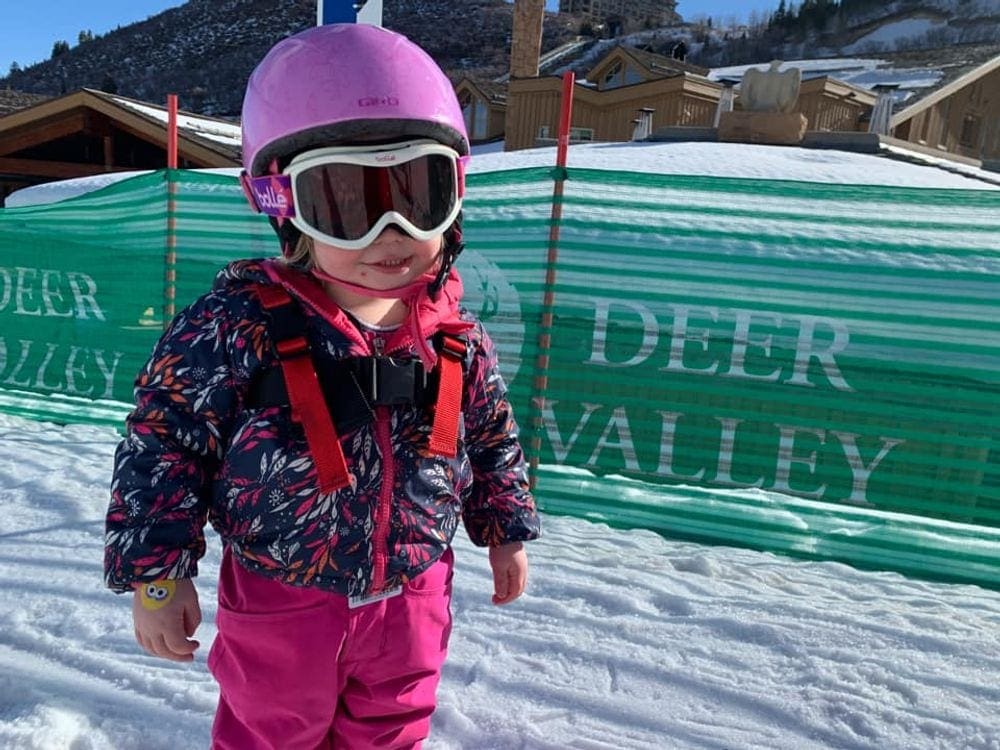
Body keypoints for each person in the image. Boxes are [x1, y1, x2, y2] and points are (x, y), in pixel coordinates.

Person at [104, 23, 540, 750]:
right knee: (271, 731)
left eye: (418, 192)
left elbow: (492, 438)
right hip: (285, 597)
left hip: (412, 594)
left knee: (392, 728)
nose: (391, 231)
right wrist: (158, 577)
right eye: (347, 200)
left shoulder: (455, 335)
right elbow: (164, 444)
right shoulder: (239, 325)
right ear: (283, 204)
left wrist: (504, 531)